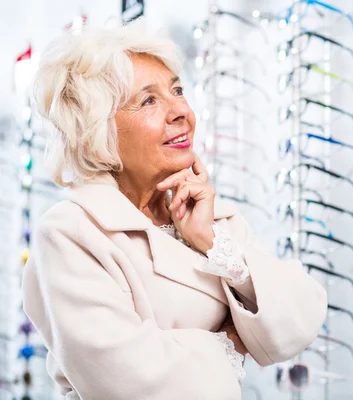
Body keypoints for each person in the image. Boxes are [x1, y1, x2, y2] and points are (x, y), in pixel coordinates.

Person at [21, 19, 327, 400]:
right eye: (149, 100)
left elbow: (302, 316)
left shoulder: (209, 216)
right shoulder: (72, 232)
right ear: (100, 131)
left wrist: (213, 243)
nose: (180, 110)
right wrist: (231, 346)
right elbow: (130, 381)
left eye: (177, 90)